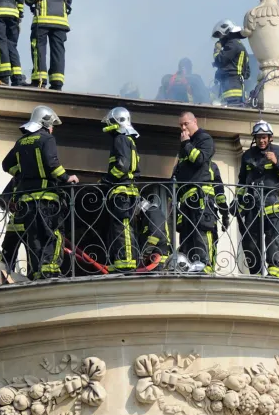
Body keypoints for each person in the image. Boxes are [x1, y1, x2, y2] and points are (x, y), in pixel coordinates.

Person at [2, 105, 78, 278]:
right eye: (52, 126)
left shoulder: (21, 141)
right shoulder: (46, 139)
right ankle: (49, 271)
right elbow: (52, 164)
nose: (52, 129)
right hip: (46, 198)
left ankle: (37, 273)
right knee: (54, 234)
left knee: (35, 238)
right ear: (46, 123)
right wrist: (67, 178)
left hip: (25, 201)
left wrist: (22, 173)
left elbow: (6, 165)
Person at [100, 106, 166, 272]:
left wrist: (107, 180)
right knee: (123, 227)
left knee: (122, 228)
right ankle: (124, 260)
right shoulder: (129, 140)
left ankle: (126, 262)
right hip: (127, 191)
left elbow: (122, 165)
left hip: (121, 191)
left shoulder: (120, 139)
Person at [236, 119, 279, 277]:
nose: (261, 140)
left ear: (270, 138)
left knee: (273, 236)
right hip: (252, 204)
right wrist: (238, 201)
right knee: (249, 239)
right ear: (254, 138)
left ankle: (274, 271)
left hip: (272, 201)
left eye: (264, 137)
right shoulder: (247, 156)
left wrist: (277, 163)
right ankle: (255, 272)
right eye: (259, 137)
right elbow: (242, 181)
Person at [172, 111, 219, 272]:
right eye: (181, 125)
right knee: (187, 234)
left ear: (195, 122)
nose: (183, 128)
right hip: (186, 199)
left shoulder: (204, 138)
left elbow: (199, 159)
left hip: (201, 195)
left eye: (186, 124)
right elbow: (179, 173)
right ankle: (188, 264)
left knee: (202, 229)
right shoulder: (185, 144)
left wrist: (186, 144)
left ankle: (205, 265)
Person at [26, 0, 73, 90]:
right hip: (61, 19)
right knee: (58, 50)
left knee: (38, 46)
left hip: (43, 16)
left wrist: (29, 2)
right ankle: (57, 83)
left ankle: (40, 81)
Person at [211, 20, 251, 106]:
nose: (219, 39)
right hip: (237, 88)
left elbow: (219, 60)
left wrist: (217, 50)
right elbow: (247, 73)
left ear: (227, 33)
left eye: (220, 36)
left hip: (231, 91)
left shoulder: (232, 45)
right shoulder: (239, 45)